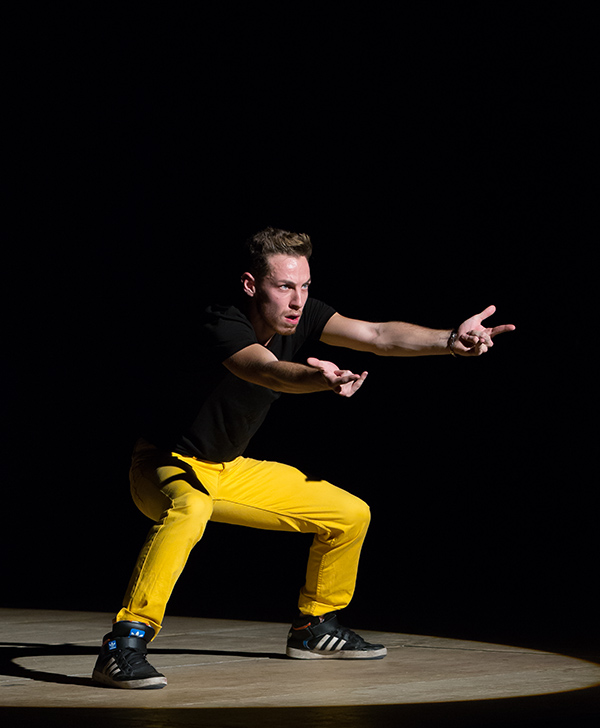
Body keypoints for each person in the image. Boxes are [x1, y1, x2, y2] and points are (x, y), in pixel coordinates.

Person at [92, 226, 516, 689]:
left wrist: (450, 339)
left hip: (228, 470)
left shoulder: (304, 314)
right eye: (284, 287)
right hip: (164, 464)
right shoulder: (221, 320)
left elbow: (376, 334)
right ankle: (124, 644)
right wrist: (319, 380)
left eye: (305, 286)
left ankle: (315, 627)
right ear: (251, 285)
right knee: (190, 507)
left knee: (349, 514)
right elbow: (267, 370)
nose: (297, 301)